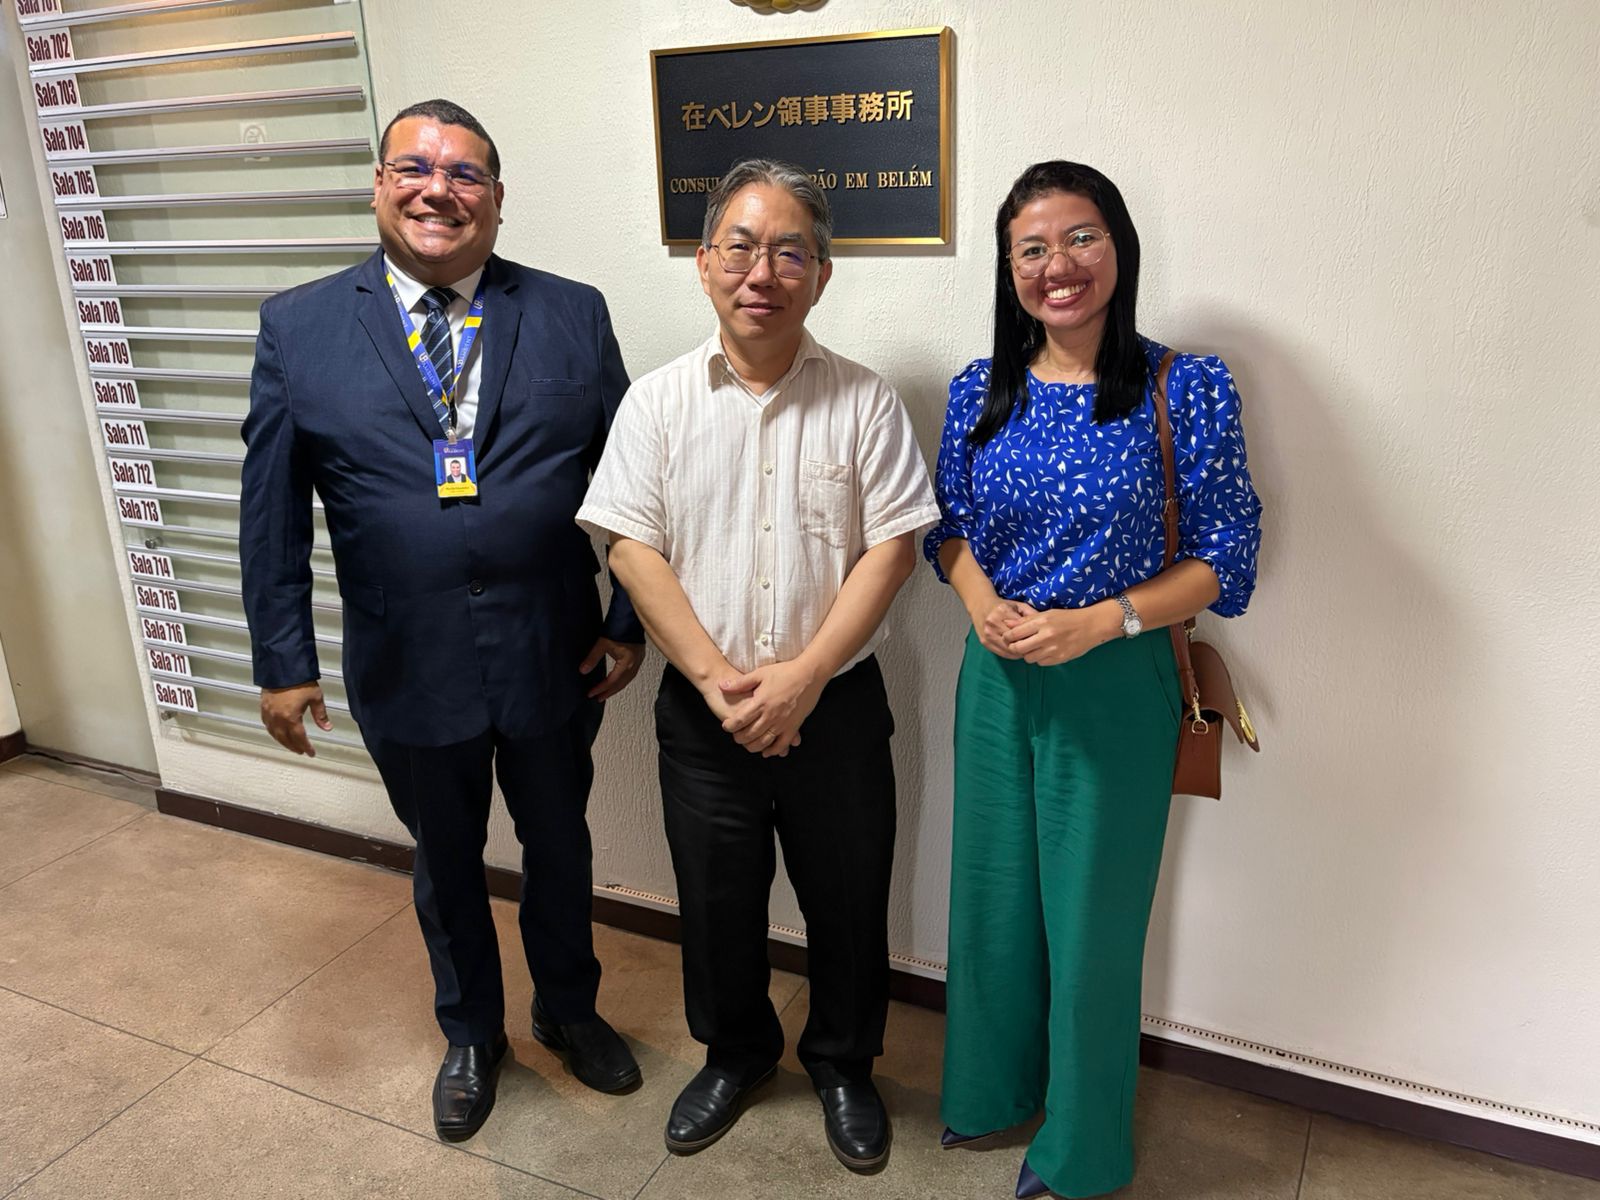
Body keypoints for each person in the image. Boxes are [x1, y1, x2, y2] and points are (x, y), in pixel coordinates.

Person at [240, 98, 645, 1144]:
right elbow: (272, 508)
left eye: (465, 174)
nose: (438, 189)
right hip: (405, 658)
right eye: (413, 167)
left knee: (560, 844)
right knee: (446, 859)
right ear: (379, 186)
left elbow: (637, 486)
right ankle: (473, 1035)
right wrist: (282, 662)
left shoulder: (570, 313)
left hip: (554, 650)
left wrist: (625, 614)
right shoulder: (299, 326)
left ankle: (568, 1008)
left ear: (497, 202)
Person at [577, 158, 938, 1173]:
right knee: (717, 900)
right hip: (705, 711)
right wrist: (717, 680)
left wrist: (804, 678)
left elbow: (892, 547)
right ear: (703, 265)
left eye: (790, 251)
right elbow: (630, 547)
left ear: (820, 276)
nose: (762, 270)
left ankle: (844, 1063)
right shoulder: (654, 404)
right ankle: (734, 1055)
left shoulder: (864, 403)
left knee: (848, 899)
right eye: (740, 245)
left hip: (835, 705)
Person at [925, 161, 1262, 1198]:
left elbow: (1229, 557)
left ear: (1117, 247)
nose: (1056, 266)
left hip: (1113, 684)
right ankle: (988, 1092)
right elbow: (947, 526)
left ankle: (1076, 1151)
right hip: (994, 678)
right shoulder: (980, 387)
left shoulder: (1183, 386)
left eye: (1078, 239)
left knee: (1091, 927)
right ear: (1008, 267)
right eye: (1030, 249)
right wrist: (979, 604)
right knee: (988, 902)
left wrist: (1102, 621)